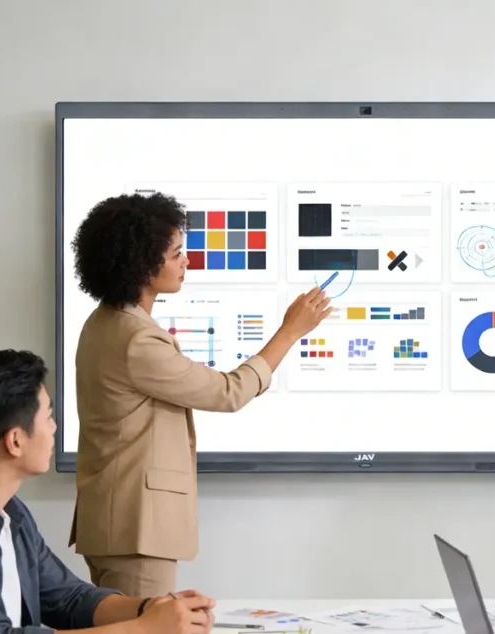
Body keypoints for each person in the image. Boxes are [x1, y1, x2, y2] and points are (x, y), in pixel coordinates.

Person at [68, 192, 331, 596]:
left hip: (112, 523)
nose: (187, 261)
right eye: (176, 254)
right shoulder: (137, 340)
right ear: (141, 263)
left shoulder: (102, 323)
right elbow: (229, 392)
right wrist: (290, 331)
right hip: (137, 531)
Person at [0, 349, 217, 634]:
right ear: (15, 441)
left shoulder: (9, 512)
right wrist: (143, 629)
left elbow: (69, 599)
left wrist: (148, 607)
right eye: (48, 417)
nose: (54, 428)